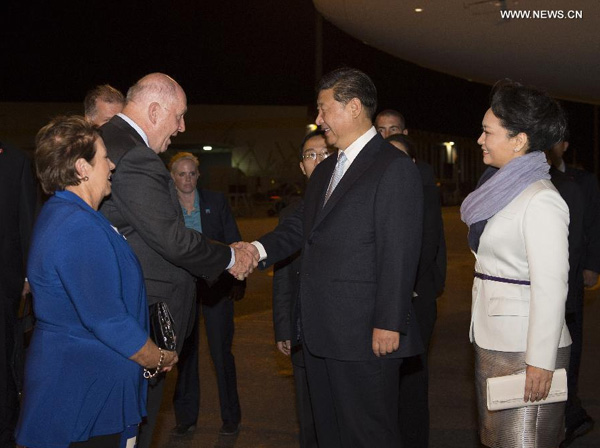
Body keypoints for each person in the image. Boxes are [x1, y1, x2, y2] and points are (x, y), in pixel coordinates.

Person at [239, 67, 424, 447]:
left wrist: (389, 322)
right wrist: (254, 251)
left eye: (324, 109)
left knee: (368, 434)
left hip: (366, 335)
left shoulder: (393, 167)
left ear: (354, 107)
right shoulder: (325, 171)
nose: (318, 119)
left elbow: (399, 251)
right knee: (330, 433)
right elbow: (300, 231)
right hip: (320, 332)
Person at [98, 73, 257, 448]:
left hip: (125, 312)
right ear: (155, 111)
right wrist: (232, 255)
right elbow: (170, 239)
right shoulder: (135, 155)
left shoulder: (113, 141)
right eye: (179, 116)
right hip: (141, 317)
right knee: (131, 426)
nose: (182, 127)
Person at [14, 116, 178, 448]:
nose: (112, 165)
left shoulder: (69, 214)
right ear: (81, 168)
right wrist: (158, 358)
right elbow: (107, 320)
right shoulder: (78, 226)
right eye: (104, 156)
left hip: (81, 386)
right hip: (82, 394)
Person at [461, 79, 572, 448]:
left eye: (487, 132)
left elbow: (551, 284)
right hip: (494, 339)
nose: (480, 139)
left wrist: (540, 360)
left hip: (526, 348)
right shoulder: (503, 189)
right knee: (496, 439)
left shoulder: (541, 199)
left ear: (519, 140)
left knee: (524, 442)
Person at [168, 152, 246, 437]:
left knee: (221, 353)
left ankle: (231, 417)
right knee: (185, 354)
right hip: (181, 288)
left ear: (198, 176)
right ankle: (186, 417)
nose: (187, 179)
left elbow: (232, 239)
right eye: (181, 174)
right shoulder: (166, 206)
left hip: (215, 287)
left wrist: (238, 279)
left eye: (192, 174)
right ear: (172, 176)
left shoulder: (215, 201)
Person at [272, 129, 331, 448]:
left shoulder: (352, 202)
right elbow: (283, 273)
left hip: (341, 330)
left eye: (324, 153)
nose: (318, 160)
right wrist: (283, 326)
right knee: (307, 412)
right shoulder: (290, 213)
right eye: (311, 155)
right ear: (301, 166)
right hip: (301, 326)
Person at [386, 133, 446, 448]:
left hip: (414, 300)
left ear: (412, 163)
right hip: (387, 304)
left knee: (412, 379)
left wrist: (401, 287)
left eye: (400, 157)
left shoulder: (423, 197)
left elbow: (427, 247)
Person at [547, 134, 599, 447]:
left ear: (566, 145)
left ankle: (570, 408)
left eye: (558, 140)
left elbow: (593, 224)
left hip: (574, 276)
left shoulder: (583, 180)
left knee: (570, 345)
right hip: (550, 275)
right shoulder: (540, 178)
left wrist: (592, 266)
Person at [0, 141, 37, 448]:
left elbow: (26, 217)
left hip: (5, 285)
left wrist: (27, 275)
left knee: (5, 362)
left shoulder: (14, 160)